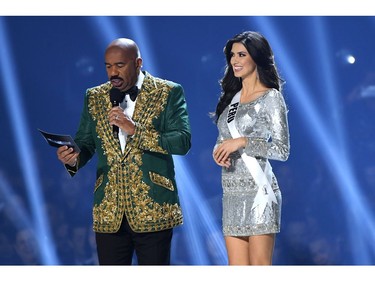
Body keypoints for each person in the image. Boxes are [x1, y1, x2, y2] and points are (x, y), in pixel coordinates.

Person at [56, 38, 191, 265]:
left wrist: (136, 131)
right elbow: (86, 142)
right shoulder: (95, 96)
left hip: (153, 206)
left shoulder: (168, 92)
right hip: (109, 209)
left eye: (119, 65)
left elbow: (182, 141)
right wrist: (73, 158)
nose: (112, 72)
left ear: (137, 63)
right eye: (108, 66)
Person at [211, 31, 290, 265]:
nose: (235, 60)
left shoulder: (270, 97)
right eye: (232, 55)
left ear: (256, 57)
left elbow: (282, 149)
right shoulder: (231, 99)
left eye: (242, 54)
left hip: (259, 192)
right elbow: (224, 138)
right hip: (231, 193)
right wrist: (218, 151)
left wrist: (244, 142)